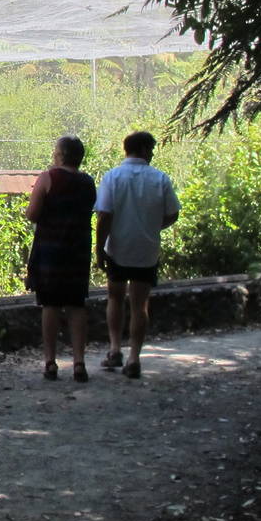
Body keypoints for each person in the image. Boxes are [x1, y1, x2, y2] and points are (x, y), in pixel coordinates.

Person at [94, 130, 181, 379]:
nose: (152, 153)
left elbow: (104, 216)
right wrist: (154, 226)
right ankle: (134, 357)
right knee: (140, 304)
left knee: (115, 297)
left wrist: (99, 249)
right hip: (146, 249)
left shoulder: (112, 177)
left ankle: (114, 349)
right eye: (151, 149)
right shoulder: (160, 179)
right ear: (143, 149)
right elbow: (172, 213)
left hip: (118, 248)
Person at [24, 135, 97, 381]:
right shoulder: (88, 182)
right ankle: (79, 362)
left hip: (51, 249)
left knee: (51, 305)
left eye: (56, 150)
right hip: (78, 250)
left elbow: (32, 214)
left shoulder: (49, 178)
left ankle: (50, 362)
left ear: (61, 154)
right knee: (77, 305)